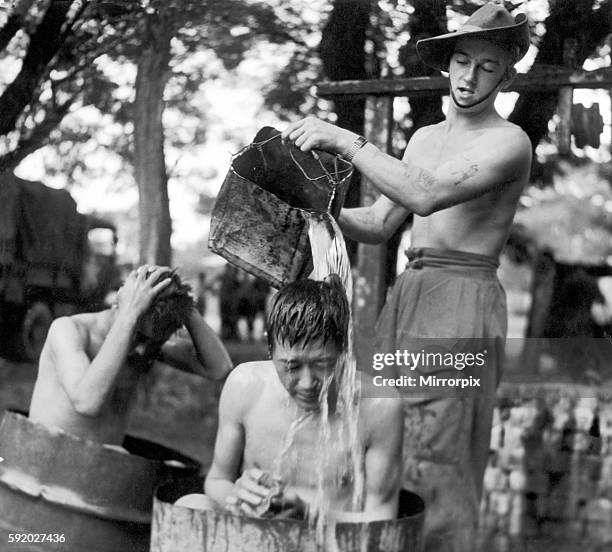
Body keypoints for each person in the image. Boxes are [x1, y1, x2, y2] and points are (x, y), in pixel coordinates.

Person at [281, 3, 532, 550]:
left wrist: (345, 139)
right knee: (384, 434)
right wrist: (313, 208)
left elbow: (426, 194)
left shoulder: (509, 142)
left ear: (508, 73)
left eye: (487, 67)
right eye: (462, 61)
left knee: (440, 453)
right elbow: (377, 224)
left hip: (464, 300)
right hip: (411, 293)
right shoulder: (422, 140)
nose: (469, 77)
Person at [176, 276, 403, 522]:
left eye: (323, 364)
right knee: (189, 505)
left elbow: (382, 516)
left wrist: (310, 515)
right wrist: (239, 496)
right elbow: (218, 479)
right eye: (291, 366)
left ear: (345, 353)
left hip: (333, 540)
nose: (307, 383)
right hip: (255, 535)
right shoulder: (245, 386)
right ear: (270, 351)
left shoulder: (380, 405)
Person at [29, 264, 233, 446]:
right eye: (139, 336)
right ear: (123, 306)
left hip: (100, 469)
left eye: (153, 342)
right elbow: (86, 402)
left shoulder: (148, 342)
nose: (143, 350)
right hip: (44, 462)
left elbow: (218, 368)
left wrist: (185, 305)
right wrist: (130, 315)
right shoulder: (69, 330)